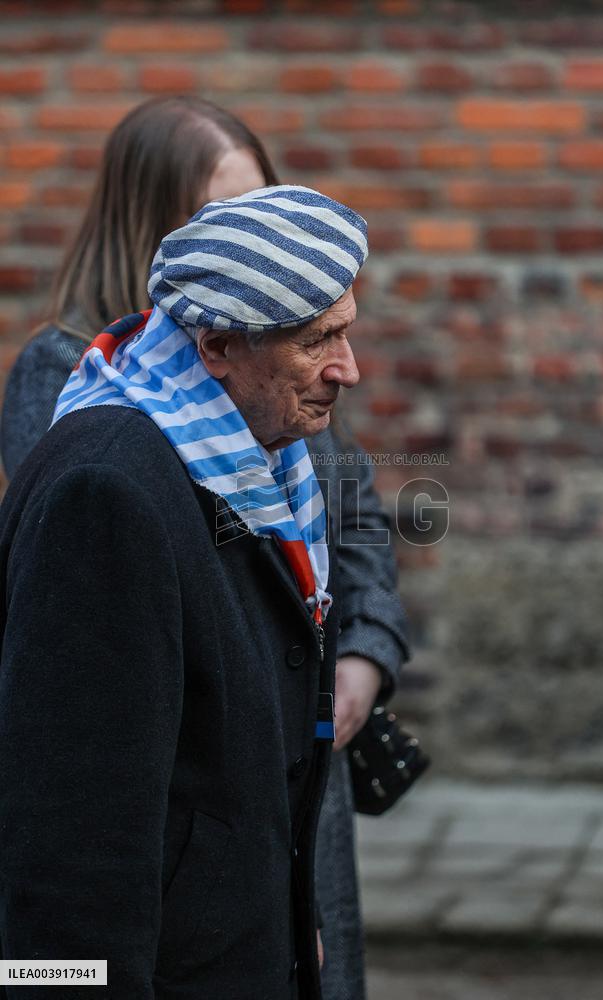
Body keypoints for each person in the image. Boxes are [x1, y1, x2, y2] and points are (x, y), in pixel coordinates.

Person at [0, 98, 409, 1000]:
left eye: (346, 330)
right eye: (320, 342)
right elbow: (67, 851)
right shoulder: (105, 493)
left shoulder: (267, 442)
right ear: (217, 344)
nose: (351, 370)